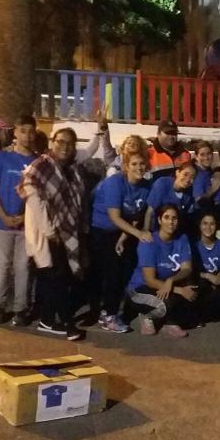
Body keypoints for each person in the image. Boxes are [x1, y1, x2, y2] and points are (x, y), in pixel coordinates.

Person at [19, 127, 86, 341]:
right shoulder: (41, 166)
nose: (64, 146)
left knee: (56, 278)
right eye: (60, 141)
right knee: (56, 277)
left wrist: (101, 132)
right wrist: (49, 231)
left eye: (69, 143)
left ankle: (47, 321)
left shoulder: (72, 169)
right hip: (47, 232)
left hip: (66, 231)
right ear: (52, 142)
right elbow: (33, 198)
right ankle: (67, 324)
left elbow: (74, 201)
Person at [88, 142, 152, 333]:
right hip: (103, 229)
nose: (139, 167)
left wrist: (124, 238)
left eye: (142, 163)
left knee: (126, 270)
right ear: (126, 166)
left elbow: (136, 215)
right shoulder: (115, 183)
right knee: (112, 272)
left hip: (124, 230)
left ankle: (114, 309)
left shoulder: (145, 186)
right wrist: (139, 234)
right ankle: (107, 315)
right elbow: (114, 217)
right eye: (134, 164)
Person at [0, 114, 37, 324]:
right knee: (3, 264)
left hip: (26, 225)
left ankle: (20, 309)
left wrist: (25, 216)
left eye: (31, 131)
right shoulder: (1, 158)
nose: (27, 136)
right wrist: (4, 216)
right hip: (1, 223)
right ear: (15, 132)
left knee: (23, 267)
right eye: (22, 131)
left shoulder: (37, 162)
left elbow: (39, 196)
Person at [125, 204, 198, 338]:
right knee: (165, 305)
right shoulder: (148, 242)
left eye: (174, 218)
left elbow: (187, 268)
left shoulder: (182, 239)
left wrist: (171, 280)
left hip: (165, 285)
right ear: (159, 220)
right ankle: (148, 317)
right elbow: (150, 280)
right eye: (166, 217)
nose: (171, 222)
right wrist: (179, 290)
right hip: (140, 288)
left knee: (193, 292)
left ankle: (169, 323)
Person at [193, 212, 220, 322]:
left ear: (216, 226)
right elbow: (191, 271)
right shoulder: (194, 246)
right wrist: (208, 276)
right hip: (200, 281)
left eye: (212, 224)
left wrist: (217, 279)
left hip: (215, 282)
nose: (208, 227)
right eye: (205, 223)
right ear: (199, 225)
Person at [145, 161, 197, 233]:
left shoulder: (189, 191)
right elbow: (150, 211)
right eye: (185, 174)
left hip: (174, 230)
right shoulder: (162, 183)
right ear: (177, 172)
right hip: (156, 230)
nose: (188, 180)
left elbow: (185, 214)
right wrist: (146, 230)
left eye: (192, 177)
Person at [191, 140, 220, 209]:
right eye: (202, 155)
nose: (206, 158)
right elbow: (198, 200)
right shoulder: (195, 173)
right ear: (196, 156)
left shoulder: (207, 171)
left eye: (209, 153)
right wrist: (213, 189)